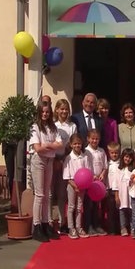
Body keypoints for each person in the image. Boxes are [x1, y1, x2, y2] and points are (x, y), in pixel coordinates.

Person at [29, 102, 63, 242]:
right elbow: (38, 148)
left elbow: (60, 144)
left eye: (47, 112)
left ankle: (45, 223)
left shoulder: (53, 127)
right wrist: (51, 146)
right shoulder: (35, 127)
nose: (45, 114)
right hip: (39, 161)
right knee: (40, 194)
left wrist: (48, 145)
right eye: (42, 112)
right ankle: (36, 226)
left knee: (47, 194)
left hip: (49, 161)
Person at [51, 99, 77, 234]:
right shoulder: (53, 125)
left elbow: (72, 143)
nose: (64, 111)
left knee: (62, 194)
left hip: (65, 162)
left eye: (66, 109)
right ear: (56, 110)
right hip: (52, 160)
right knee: (50, 193)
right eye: (61, 109)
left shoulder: (72, 126)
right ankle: (49, 222)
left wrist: (62, 158)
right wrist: (55, 158)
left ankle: (62, 222)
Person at [62, 133, 90, 239]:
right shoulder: (68, 158)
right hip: (72, 184)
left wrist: (84, 184)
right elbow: (66, 176)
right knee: (71, 206)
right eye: (75, 144)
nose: (77, 146)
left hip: (82, 185)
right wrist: (74, 185)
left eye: (79, 143)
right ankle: (71, 227)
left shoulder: (85, 157)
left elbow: (87, 171)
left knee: (79, 207)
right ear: (71, 145)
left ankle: (79, 227)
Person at [84, 129, 108, 236]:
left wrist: (103, 174)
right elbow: (84, 167)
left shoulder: (102, 151)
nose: (95, 141)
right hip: (89, 183)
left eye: (97, 139)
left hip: (99, 183)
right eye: (92, 139)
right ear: (88, 139)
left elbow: (105, 166)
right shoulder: (85, 151)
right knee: (89, 205)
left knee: (96, 206)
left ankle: (97, 225)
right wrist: (92, 176)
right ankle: (89, 226)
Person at [114, 148, 135, 237]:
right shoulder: (118, 169)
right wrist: (116, 196)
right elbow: (115, 184)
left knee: (132, 211)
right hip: (122, 194)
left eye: (130, 157)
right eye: (126, 157)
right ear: (123, 157)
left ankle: (133, 227)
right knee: (122, 210)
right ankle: (123, 228)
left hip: (131, 194)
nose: (128, 159)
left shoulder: (134, 170)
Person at [106, 141, 120, 235]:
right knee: (110, 210)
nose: (114, 155)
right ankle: (111, 229)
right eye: (112, 153)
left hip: (119, 191)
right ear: (109, 153)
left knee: (119, 210)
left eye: (116, 153)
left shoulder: (121, 164)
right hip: (109, 190)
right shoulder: (107, 164)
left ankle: (120, 228)